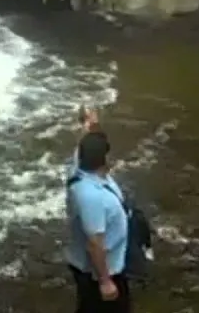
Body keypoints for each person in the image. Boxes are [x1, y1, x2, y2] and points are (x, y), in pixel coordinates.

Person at [65, 107, 133, 313]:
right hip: (99, 271)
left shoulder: (79, 168)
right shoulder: (91, 197)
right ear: (105, 159)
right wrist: (105, 281)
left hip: (107, 262)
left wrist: (90, 124)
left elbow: (83, 143)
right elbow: (95, 243)